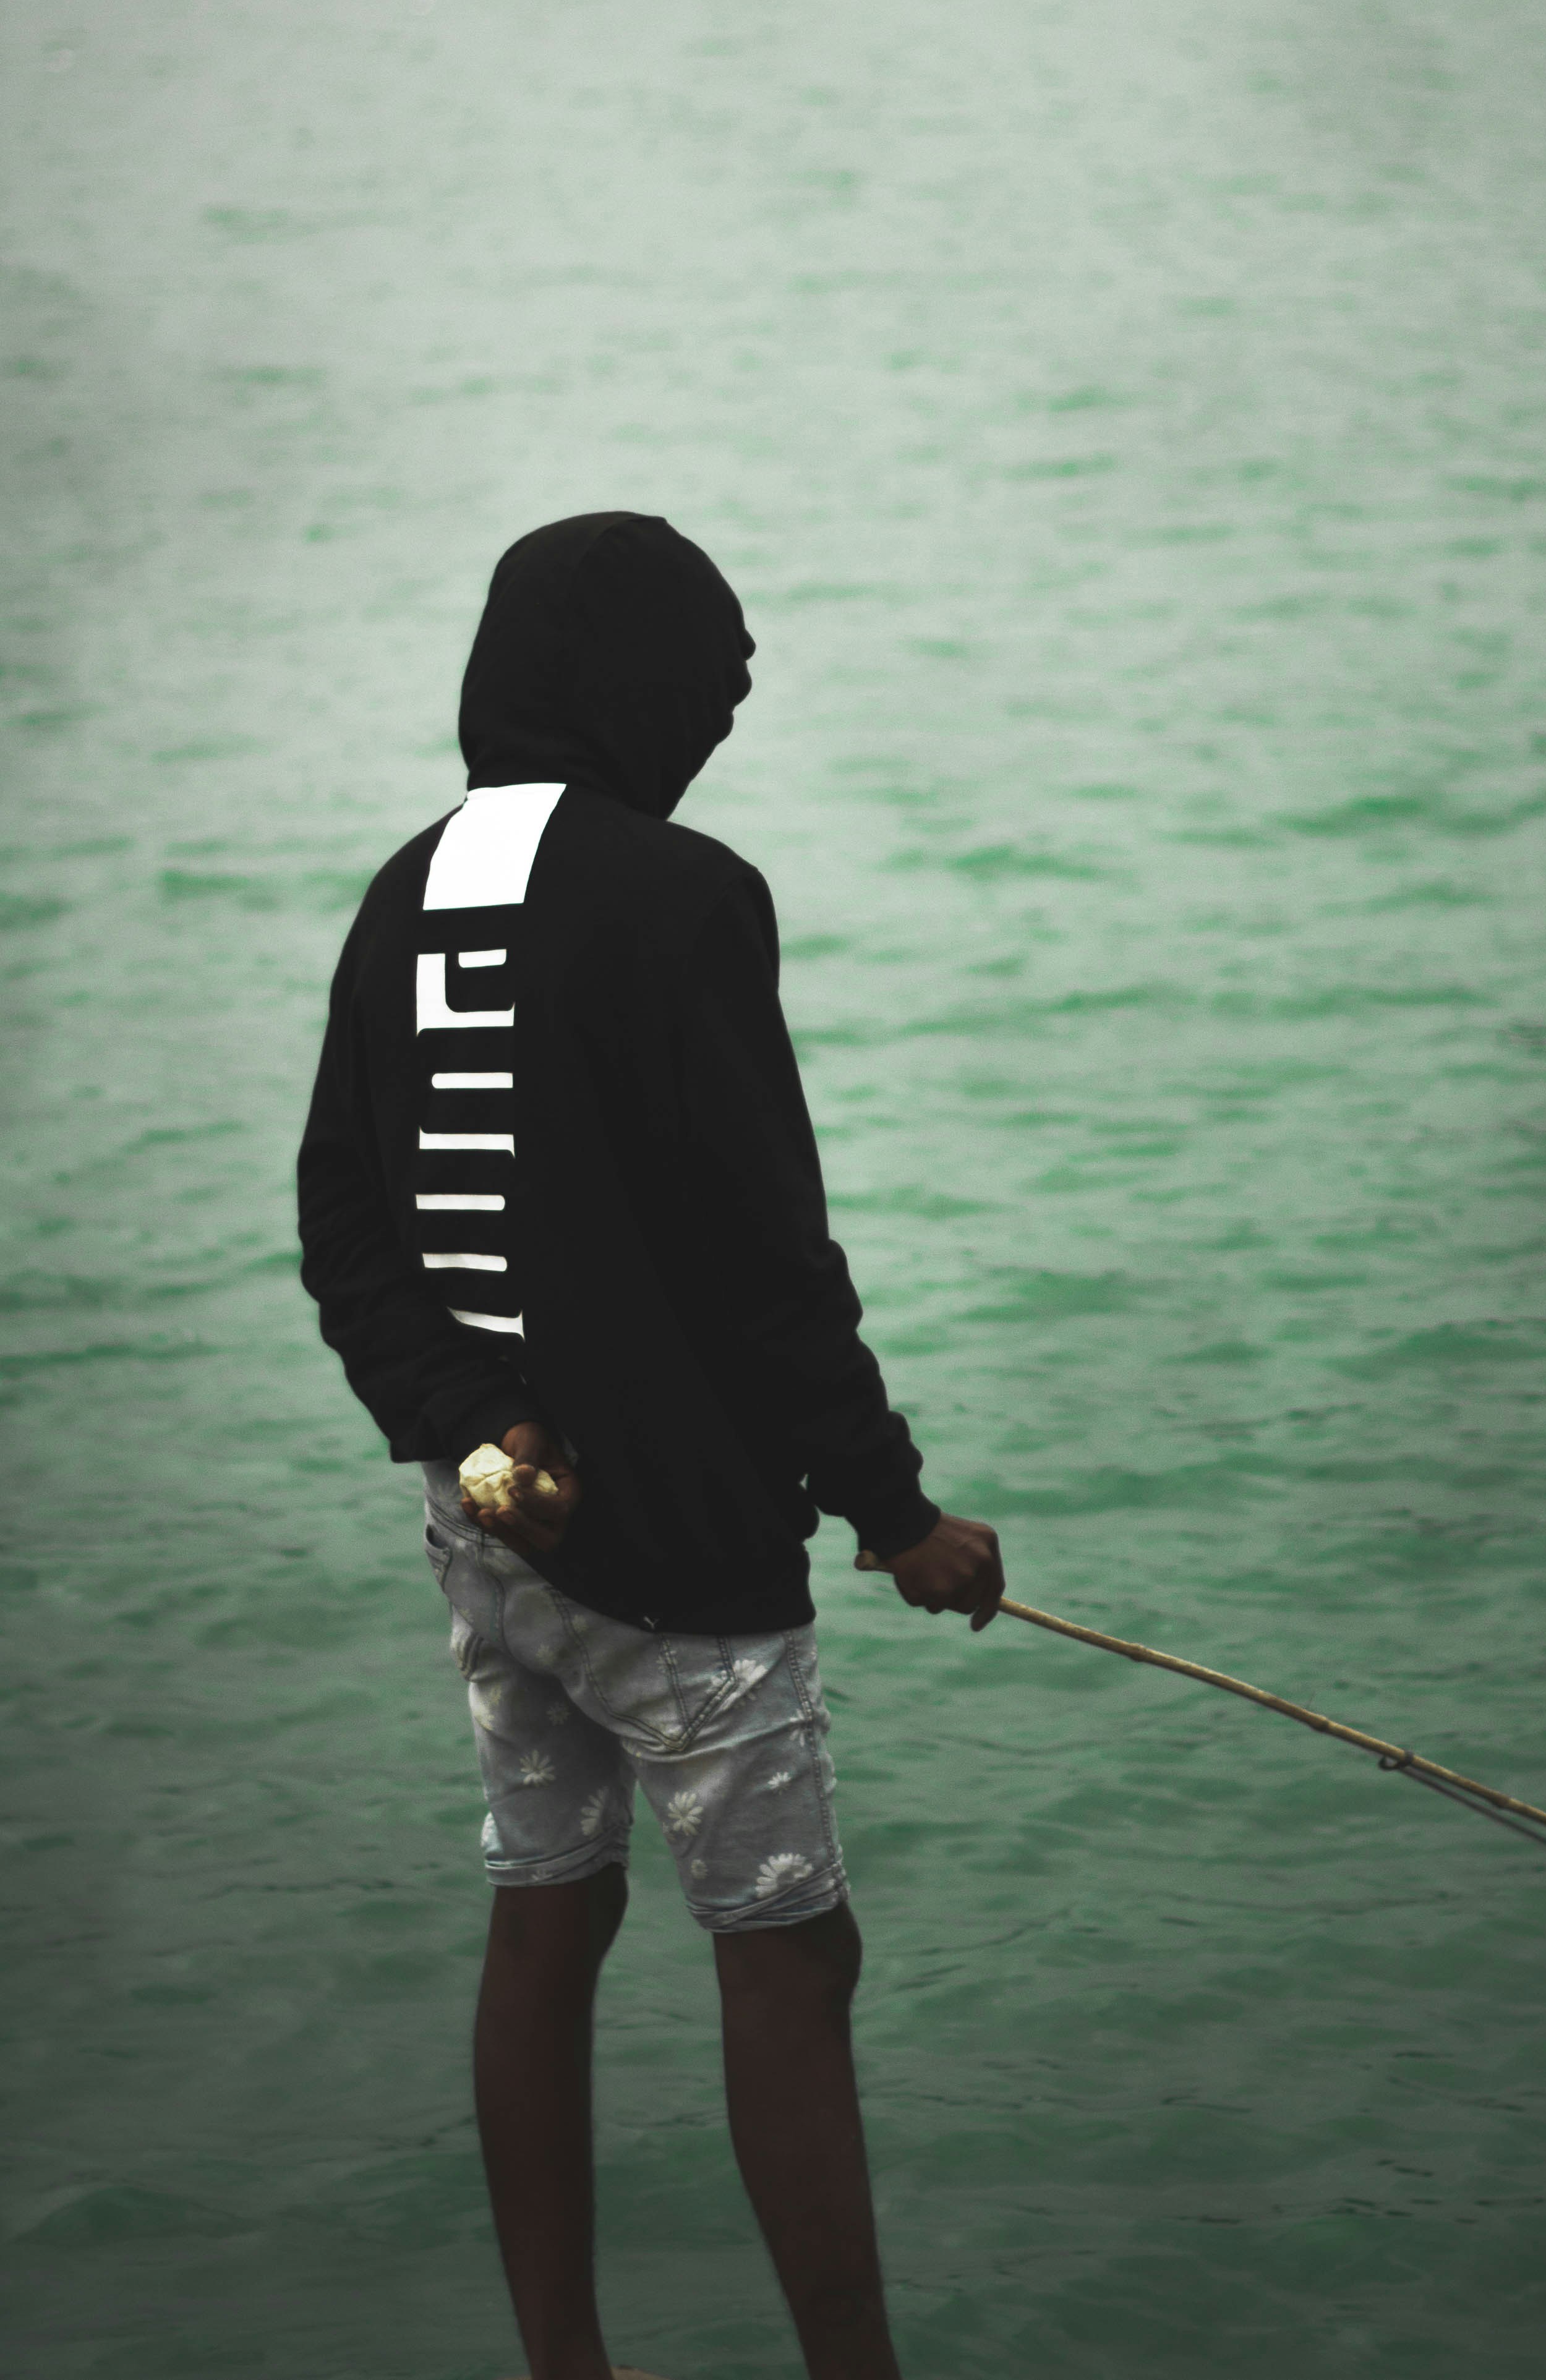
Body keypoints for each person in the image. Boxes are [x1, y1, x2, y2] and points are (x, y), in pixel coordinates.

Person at [296, 511, 1004, 2380]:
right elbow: (766, 1260)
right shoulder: (686, 895)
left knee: (546, 1913)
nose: (713, 733)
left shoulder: (399, 891)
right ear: (632, 691)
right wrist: (896, 1511)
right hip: (683, 1559)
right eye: (704, 691)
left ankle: (565, 2368)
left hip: (492, 1534)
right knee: (787, 1956)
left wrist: (469, 1434)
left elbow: (342, 1225)